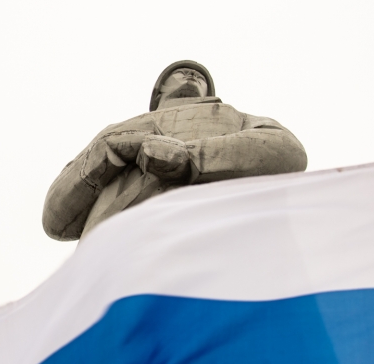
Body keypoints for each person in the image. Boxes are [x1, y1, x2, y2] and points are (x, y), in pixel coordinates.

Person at [42, 60, 308, 240]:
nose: (192, 75)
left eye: (200, 76)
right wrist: (105, 154)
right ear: (159, 90)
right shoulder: (113, 131)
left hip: (214, 236)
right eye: (180, 73)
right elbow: (55, 221)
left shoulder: (233, 116)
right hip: (117, 250)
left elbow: (288, 151)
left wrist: (190, 156)